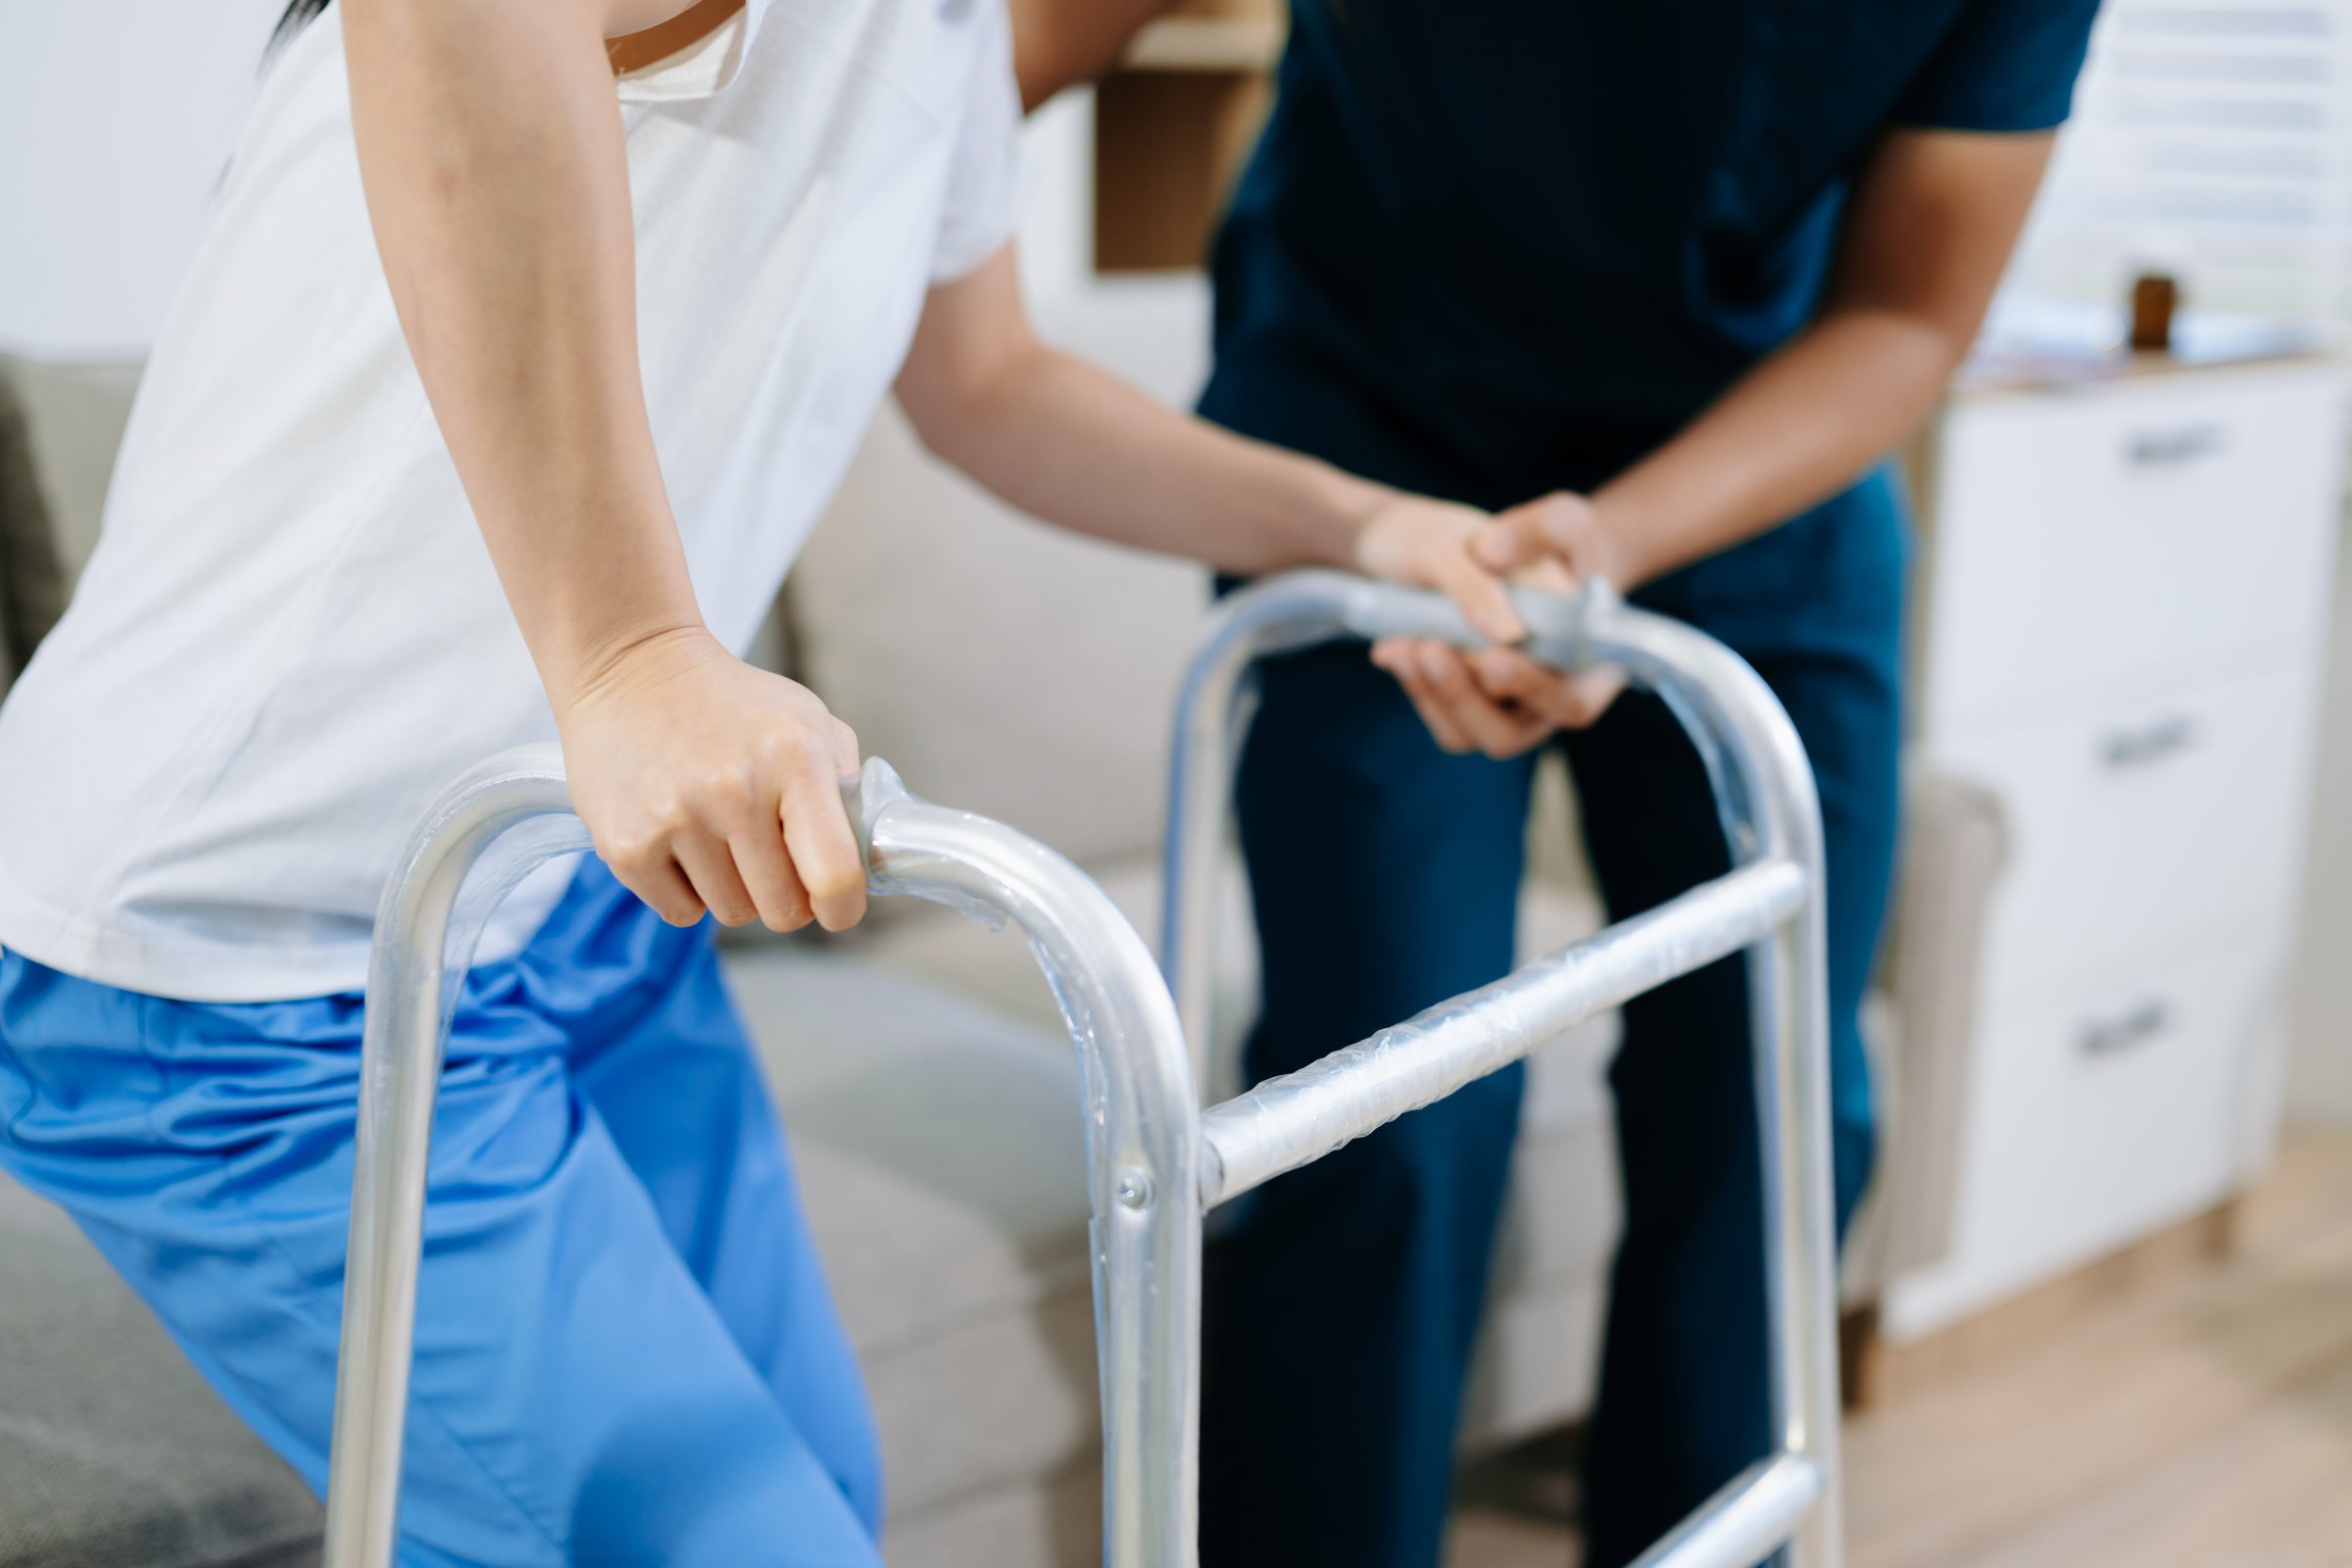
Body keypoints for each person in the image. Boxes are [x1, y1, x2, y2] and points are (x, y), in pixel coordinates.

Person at [0, 0, 1534, 1561]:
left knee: (822, 1490)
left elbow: (989, 383)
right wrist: (630, 655)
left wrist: (1360, 526)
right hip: (242, 957)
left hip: (566, 910)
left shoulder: (945, 42)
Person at [1016, 2, 2102, 1564]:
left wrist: (1615, 546)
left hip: (1750, 475)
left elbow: (1912, 314)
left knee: (1777, 1103)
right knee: (1386, 1110)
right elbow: (979, 68)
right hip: (1370, 454)